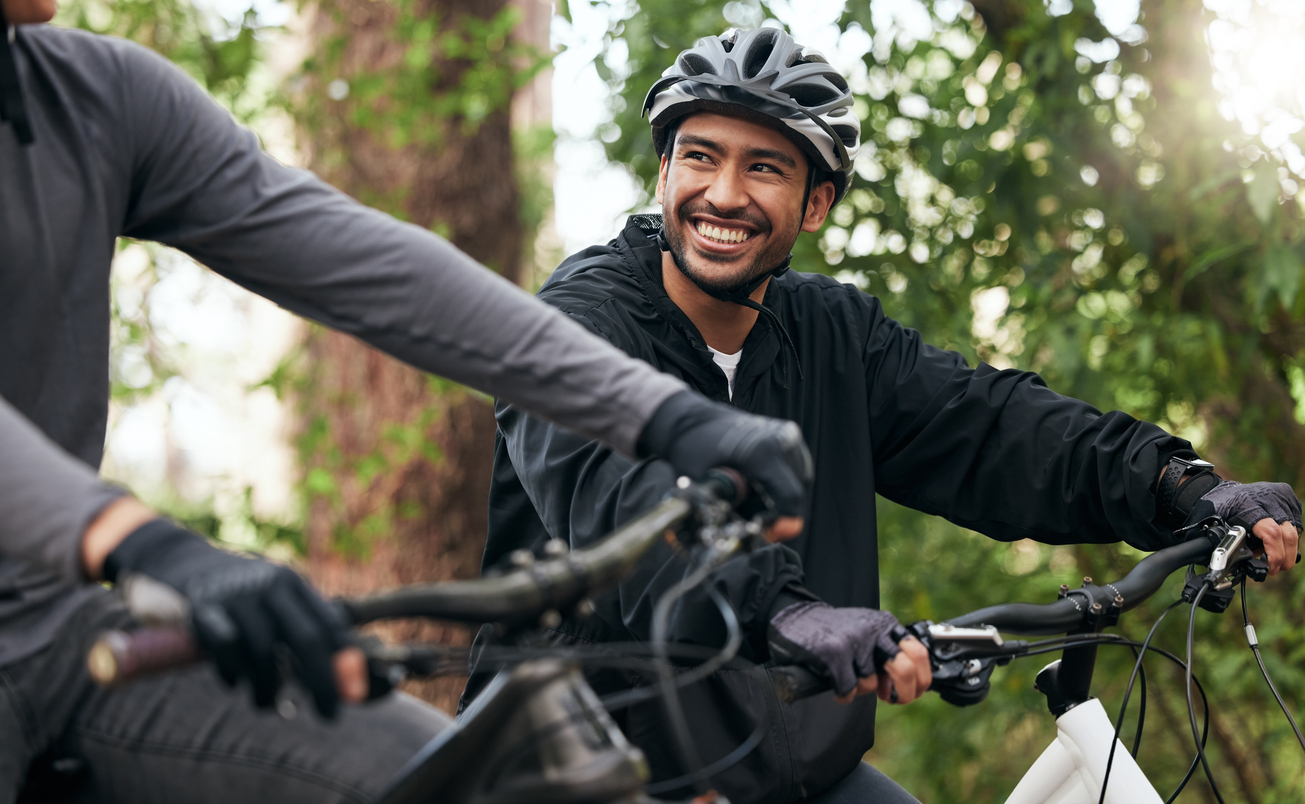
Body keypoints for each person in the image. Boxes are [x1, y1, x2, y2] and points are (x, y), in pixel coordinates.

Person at [464, 27, 1303, 804]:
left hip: (789, 770)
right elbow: (620, 500)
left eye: (764, 168)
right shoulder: (580, 323)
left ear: (816, 203)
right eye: (700, 157)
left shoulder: (830, 335)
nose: (722, 194)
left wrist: (1172, 483)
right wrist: (784, 611)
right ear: (663, 173)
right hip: (583, 767)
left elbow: (991, 427)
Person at [0, 2, 816, 801]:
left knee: (488, 781)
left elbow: (364, 262)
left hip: (57, 631)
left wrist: (669, 417)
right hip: (85, 579)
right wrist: (143, 545)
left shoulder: (95, 96)